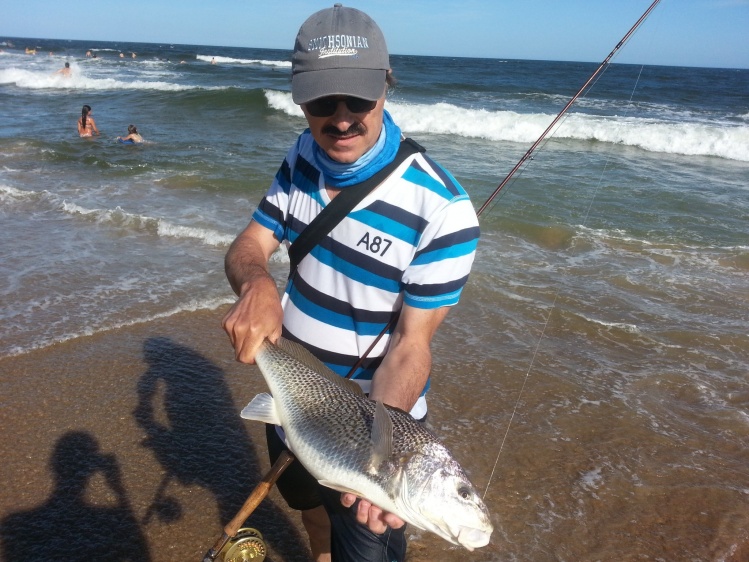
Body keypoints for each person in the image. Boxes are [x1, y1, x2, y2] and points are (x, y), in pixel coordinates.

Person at [222, 5, 479, 562]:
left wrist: (378, 453)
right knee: (311, 517)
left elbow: (413, 347)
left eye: (358, 99)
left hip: (375, 424)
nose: (340, 119)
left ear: (386, 87)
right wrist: (257, 285)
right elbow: (250, 246)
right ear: (299, 98)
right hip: (290, 388)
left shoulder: (443, 209)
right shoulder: (302, 156)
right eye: (322, 101)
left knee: (371, 550)